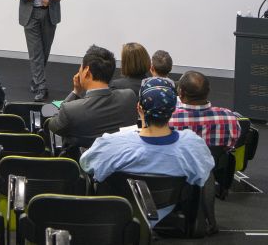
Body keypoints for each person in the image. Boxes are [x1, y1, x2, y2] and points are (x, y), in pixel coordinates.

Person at [80, 77, 214, 227]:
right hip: (169, 219)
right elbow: (202, 176)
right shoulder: (193, 146)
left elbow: (86, 164)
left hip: (118, 219)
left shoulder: (111, 144)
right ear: (173, 109)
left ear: (139, 108)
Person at [10, 0, 70, 102]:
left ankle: (36, 79)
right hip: (30, 13)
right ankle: (41, 87)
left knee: (44, 51)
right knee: (35, 52)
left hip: (49, 12)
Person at [46, 45, 137, 152]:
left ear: (86, 71)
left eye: (80, 68)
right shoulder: (129, 97)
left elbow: (53, 125)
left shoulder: (70, 109)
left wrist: (75, 92)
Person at [170, 71, 241, 149]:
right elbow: (232, 145)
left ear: (181, 93)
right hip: (215, 161)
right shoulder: (230, 118)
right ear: (208, 92)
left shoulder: (169, 120)